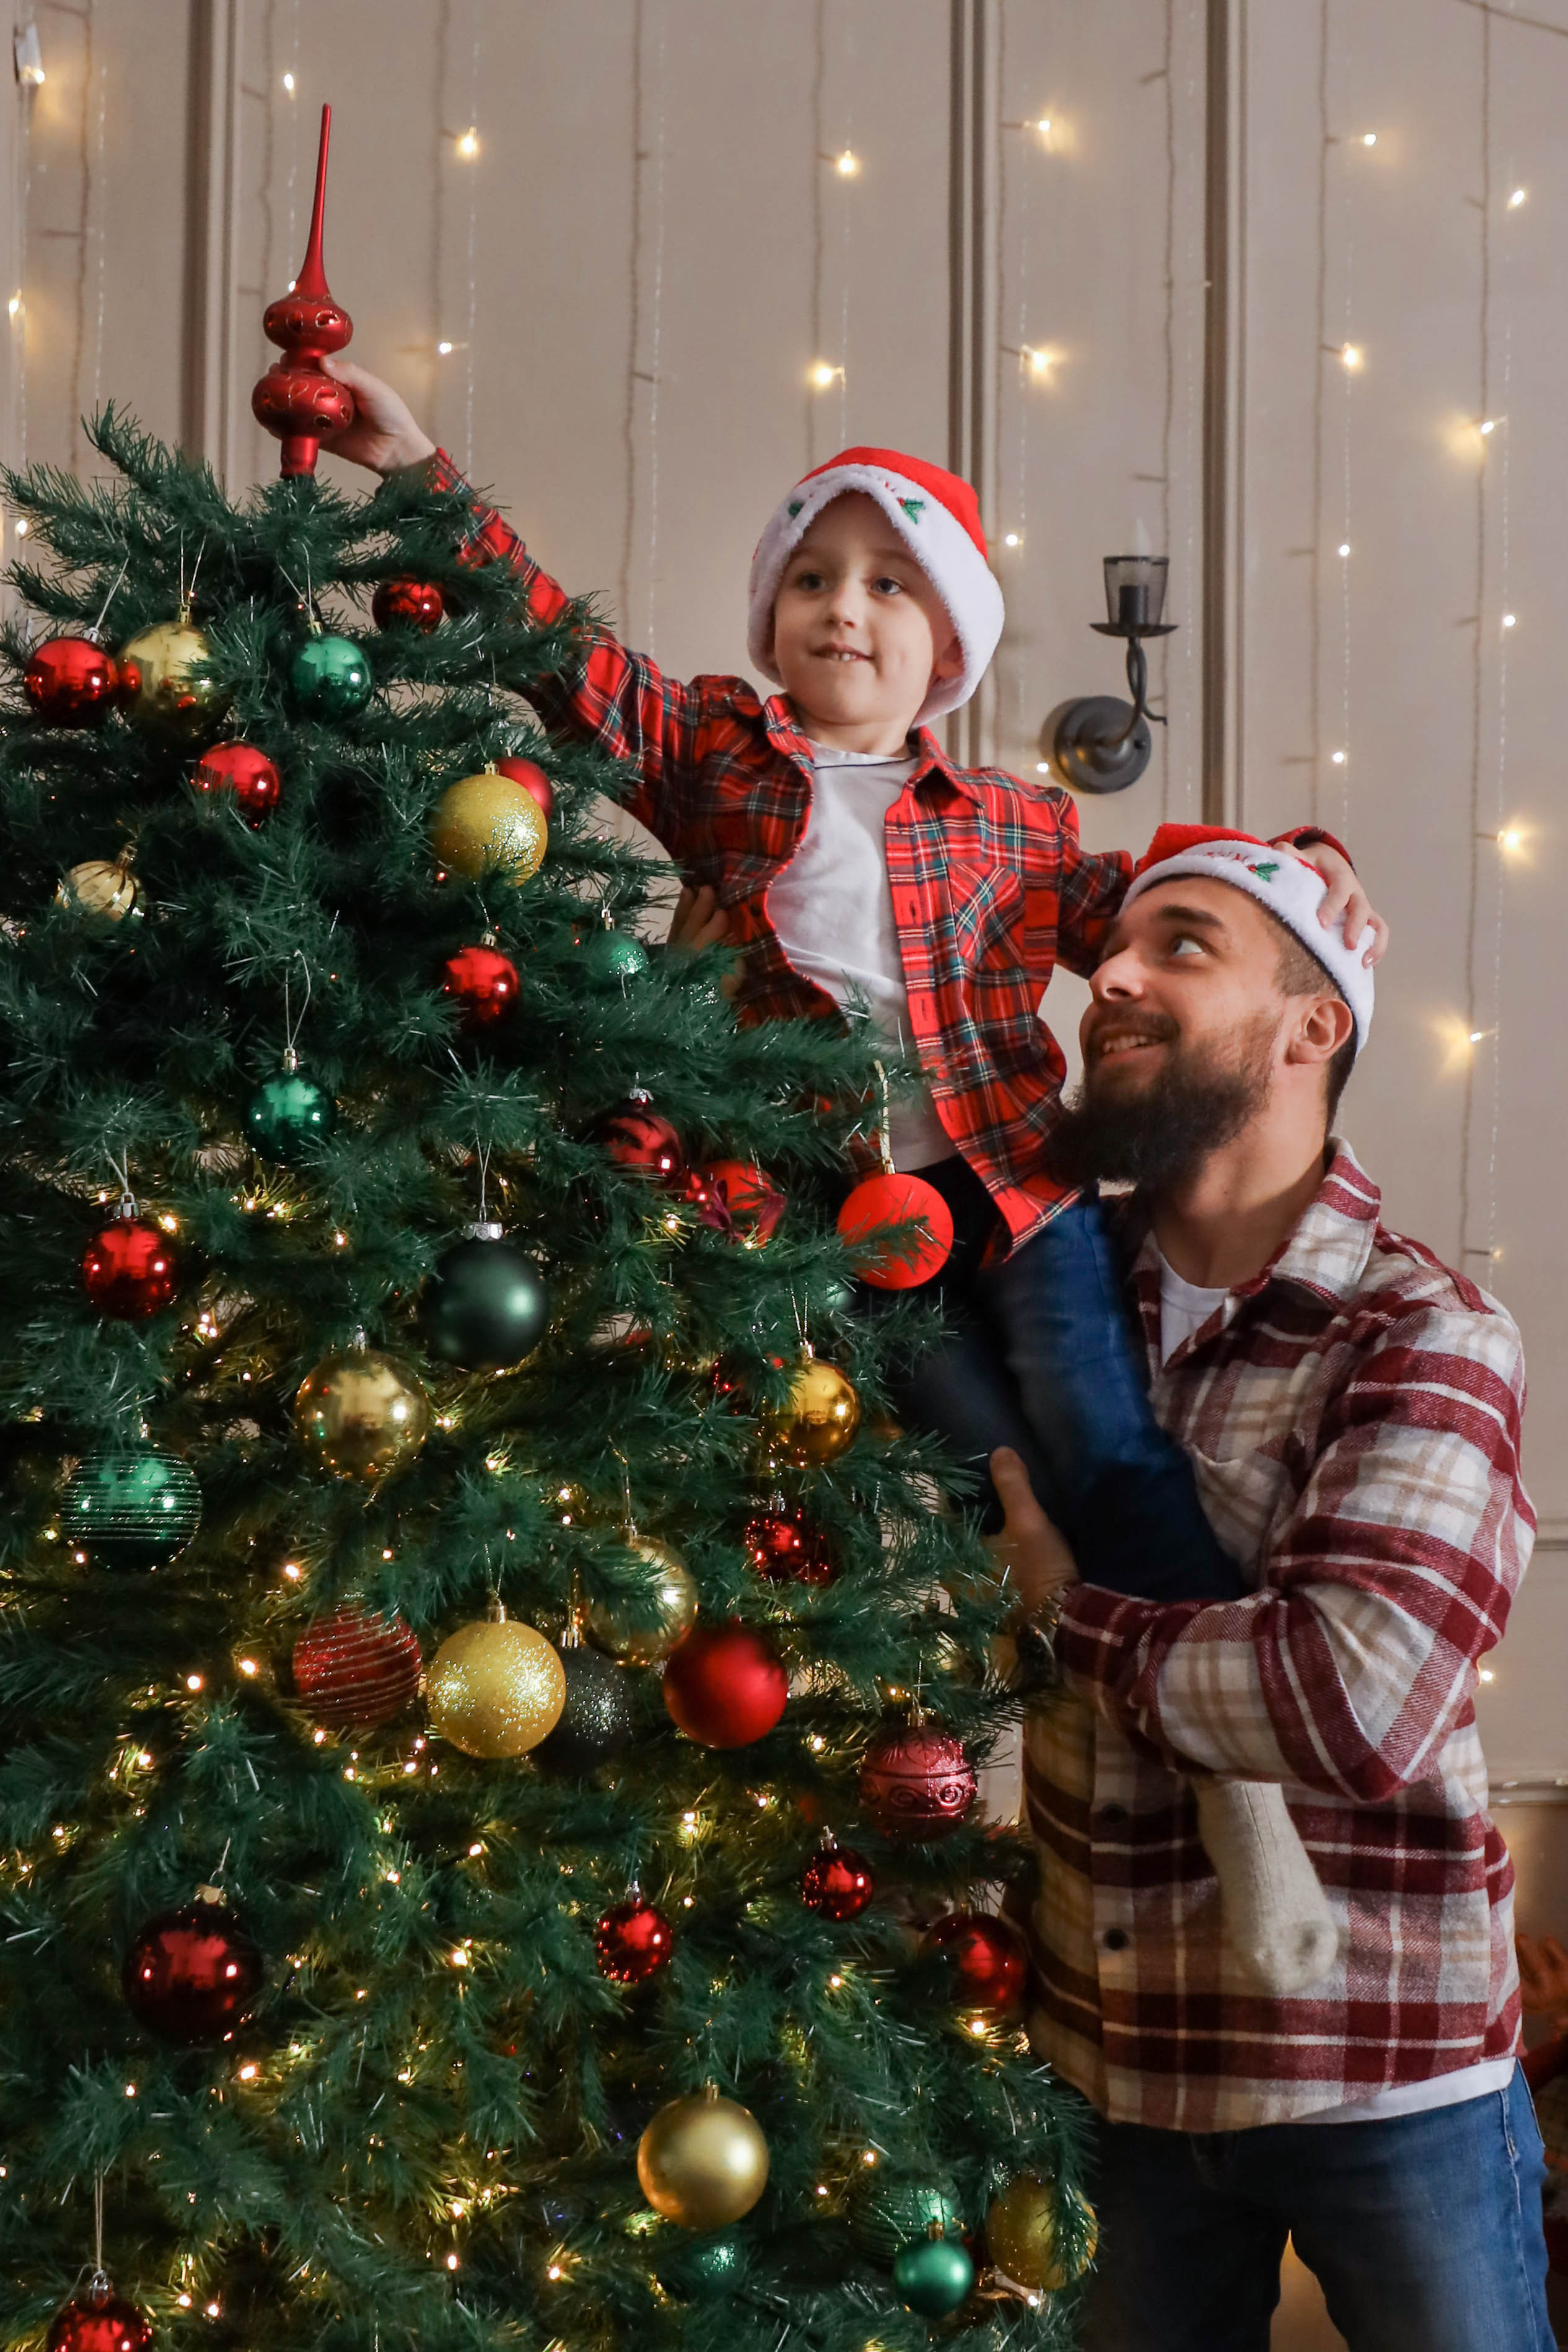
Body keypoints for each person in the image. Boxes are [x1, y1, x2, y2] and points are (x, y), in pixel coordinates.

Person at [986, 824, 1547, 2351]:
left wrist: (1063, 1611)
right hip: (1108, 2061)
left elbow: (1344, 1701)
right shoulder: (1034, 1291)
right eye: (1113, 949)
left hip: (1382, 2067)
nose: (1109, 973)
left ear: (1317, 1024)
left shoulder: (1425, 1328)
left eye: (1183, 946)